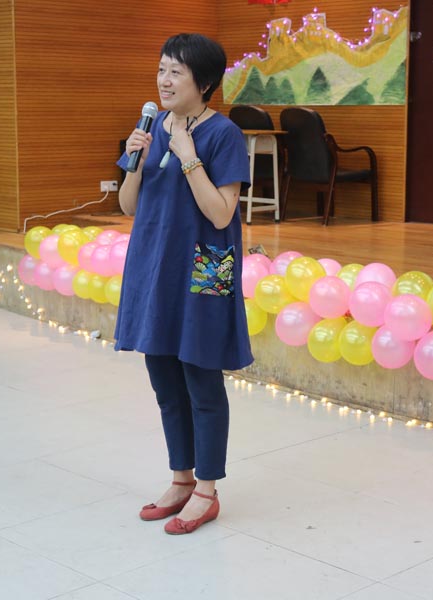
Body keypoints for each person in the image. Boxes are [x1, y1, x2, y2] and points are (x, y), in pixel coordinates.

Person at [116, 33, 252, 535]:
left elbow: (221, 214)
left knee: (201, 380)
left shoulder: (224, 134)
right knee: (165, 380)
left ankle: (207, 492)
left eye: (176, 71)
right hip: (155, 265)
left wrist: (189, 155)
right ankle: (181, 479)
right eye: (161, 69)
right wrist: (133, 160)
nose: (164, 80)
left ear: (205, 81)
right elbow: (128, 206)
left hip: (206, 267)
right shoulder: (151, 125)